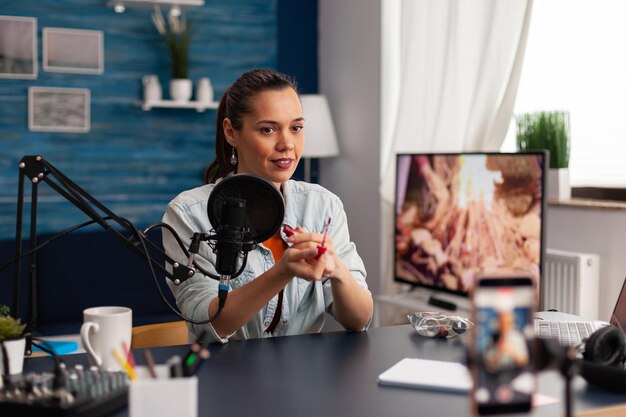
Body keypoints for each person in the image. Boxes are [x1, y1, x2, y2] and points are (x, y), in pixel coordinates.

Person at [162, 68, 373, 343]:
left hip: (304, 378)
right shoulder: (188, 214)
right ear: (231, 132)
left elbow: (360, 320)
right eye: (268, 129)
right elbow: (208, 325)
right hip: (224, 377)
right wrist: (282, 272)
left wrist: (337, 269)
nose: (287, 144)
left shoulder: (323, 205)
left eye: (296, 128)